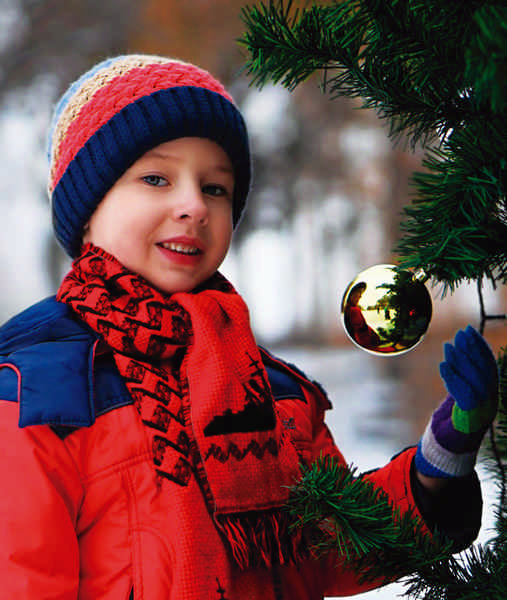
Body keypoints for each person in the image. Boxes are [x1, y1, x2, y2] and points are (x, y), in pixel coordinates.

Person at [0, 54, 498, 600]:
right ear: (87, 209)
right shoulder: (35, 391)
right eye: (156, 178)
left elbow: (328, 550)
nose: (193, 204)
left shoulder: (267, 389)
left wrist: (439, 463)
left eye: (215, 187)